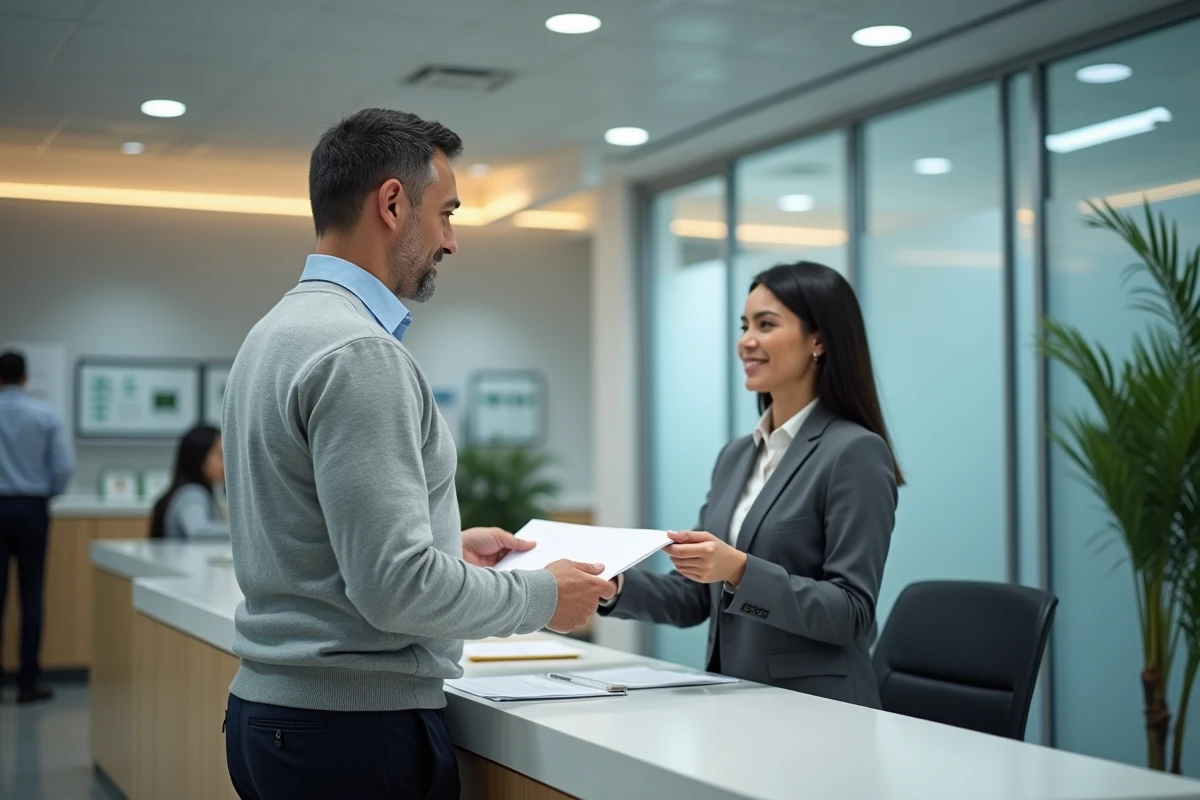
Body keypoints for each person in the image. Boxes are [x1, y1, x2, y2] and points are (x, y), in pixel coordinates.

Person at [221, 108, 611, 800]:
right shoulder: (359, 352)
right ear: (393, 204)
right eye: (446, 214)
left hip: (277, 722)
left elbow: (319, 542)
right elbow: (394, 589)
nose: (451, 241)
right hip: (350, 736)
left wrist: (443, 546)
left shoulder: (274, 333)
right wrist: (543, 596)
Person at [600, 261, 902, 709]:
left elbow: (852, 612)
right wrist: (611, 586)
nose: (746, 340)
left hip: (819, 711)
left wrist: (741, 571)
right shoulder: (737, 456)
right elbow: (696, 596)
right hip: (735, 702)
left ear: (818, 340)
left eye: (766, 324)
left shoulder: (855, 452)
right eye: (744, 326)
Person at [0, 350, 74, 704]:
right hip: (32, 508)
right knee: (31, 595)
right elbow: (63, 467)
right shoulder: (45, 415)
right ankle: (28, 682)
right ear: (25, 378)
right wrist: (45, 493)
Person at [148, 424, 229, 540]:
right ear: (199, 456)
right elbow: (199, 531)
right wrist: (243, 532)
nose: (226, 462)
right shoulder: (192, 494)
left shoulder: (187, 491)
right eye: (220, 455)